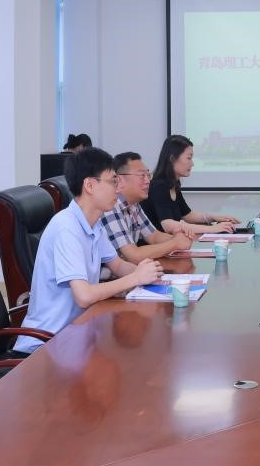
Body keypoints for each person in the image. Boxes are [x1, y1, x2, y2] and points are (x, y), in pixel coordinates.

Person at [13, 147, 163, 354]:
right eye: (113, 181)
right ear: (90, 185)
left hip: (78, 334)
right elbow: (83, 296)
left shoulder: (94, 223)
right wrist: (136, 278)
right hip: (46, 345)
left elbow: (117, 265)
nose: (119, 188)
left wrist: (150, 274)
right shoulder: (67, 228)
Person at [100, 151, 198, 262]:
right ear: (119, 180)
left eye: (148, 175)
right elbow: (133, 255)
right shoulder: (111, 206)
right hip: (110, 272)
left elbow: (154, 236)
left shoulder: (134, 204)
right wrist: (175, 243)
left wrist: (179, 237)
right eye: (142, 175)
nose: (147, 181)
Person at [141, 135, 240, 235]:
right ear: (172, 159)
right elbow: (168, 225)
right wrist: (213, 229)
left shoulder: (173, 183)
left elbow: (187, 215)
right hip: (157, 244)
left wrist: (212, 217)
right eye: (189, 158)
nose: (192, 164)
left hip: (170, 242)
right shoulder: (158, 186)